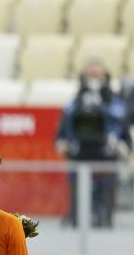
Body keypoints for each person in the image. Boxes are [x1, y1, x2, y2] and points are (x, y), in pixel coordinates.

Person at [55, 58, 131, 228]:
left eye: (98, 73)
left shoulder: (116, 105)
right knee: (78, 220)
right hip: (79, 161)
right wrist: (64, 145)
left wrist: (124, 148)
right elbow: (60, 136)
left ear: (106, 76)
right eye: (90, 73)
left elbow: (125, 137)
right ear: (83, 76)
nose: (94, 76)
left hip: (106, 163)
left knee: (105, 220)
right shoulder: (73, 105)